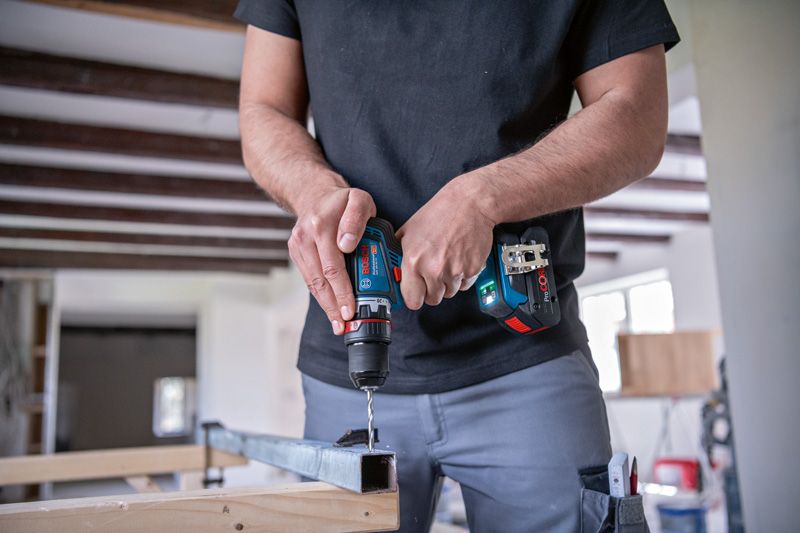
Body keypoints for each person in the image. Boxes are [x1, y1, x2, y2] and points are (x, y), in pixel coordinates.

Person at [235, 1, 679, 531]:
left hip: (526, 356)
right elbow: (264, 108)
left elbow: (637, 113)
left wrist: (483, 198)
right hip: (348, 365)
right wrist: (315, 192)